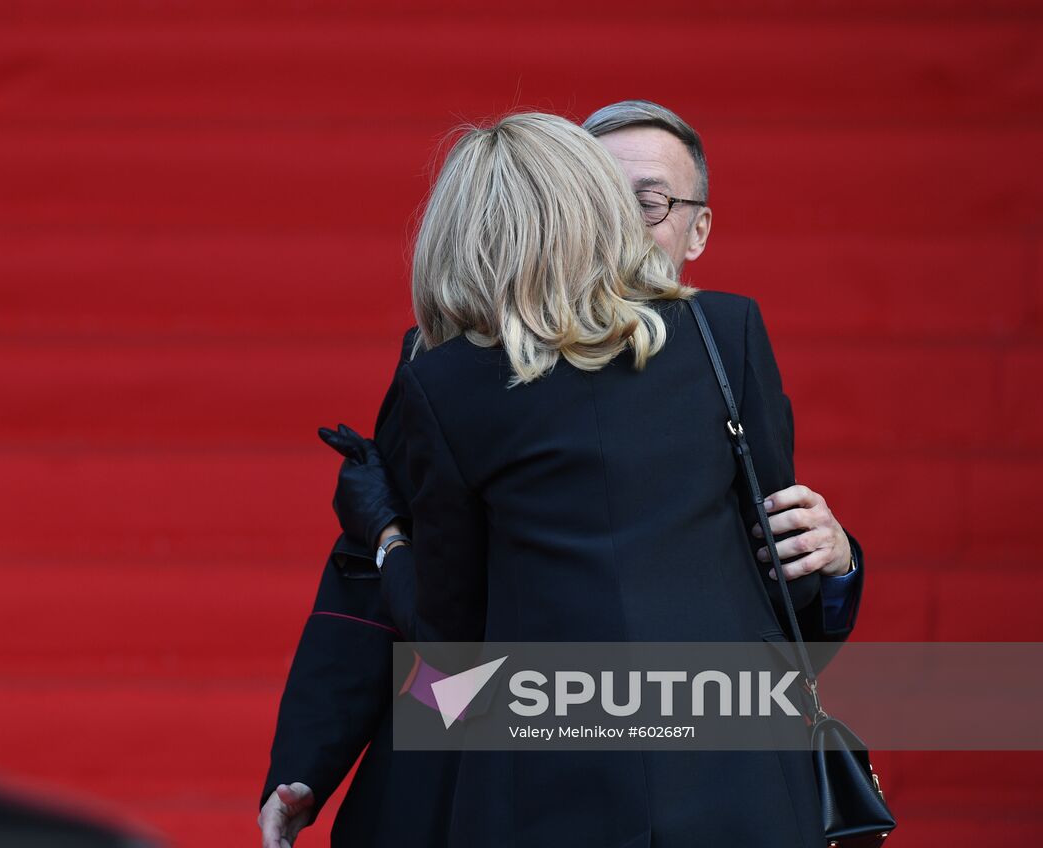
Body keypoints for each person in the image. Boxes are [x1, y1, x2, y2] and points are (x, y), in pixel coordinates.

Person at [260, 102, 862, 846]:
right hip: (518, 761)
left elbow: (778, 587)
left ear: (696, 228)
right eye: (611, 196)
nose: (629, 220)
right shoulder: (441, 372)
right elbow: (378, 604)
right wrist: (310, 761)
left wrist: (833, 561)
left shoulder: (721, 345)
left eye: (652, 200)